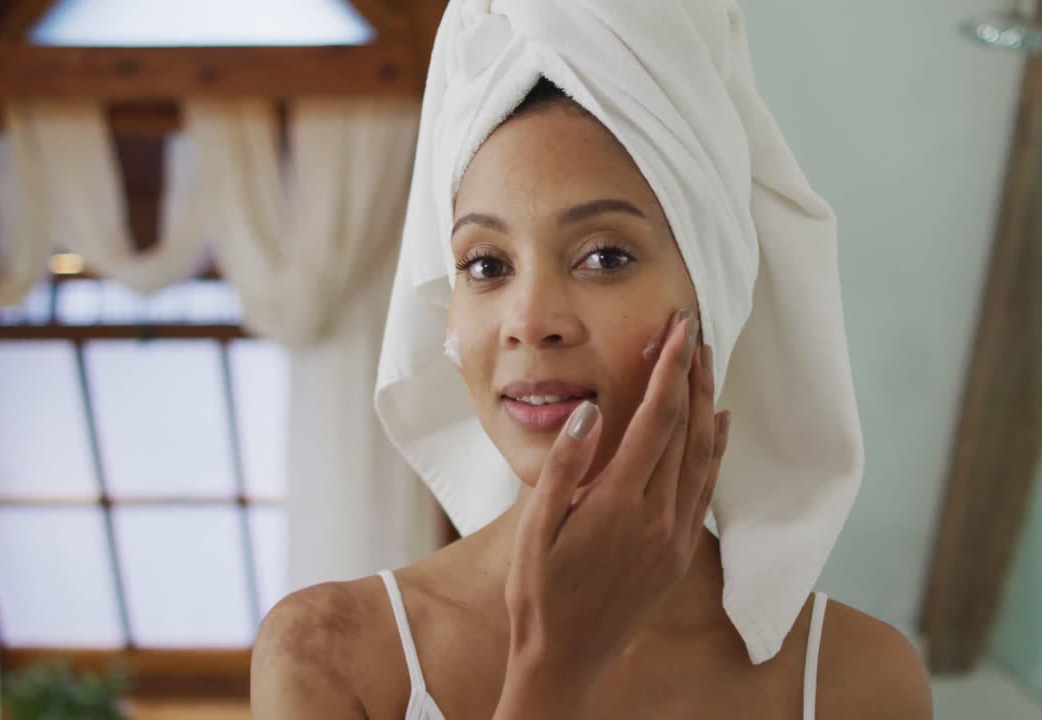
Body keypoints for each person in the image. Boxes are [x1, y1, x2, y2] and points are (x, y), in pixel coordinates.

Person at [252, 3, 932, 718]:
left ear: (712, 297)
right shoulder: (331, 653)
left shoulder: (860, 682)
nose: (529, 322)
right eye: (486, 264)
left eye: (604, 256)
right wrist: (555, 668)